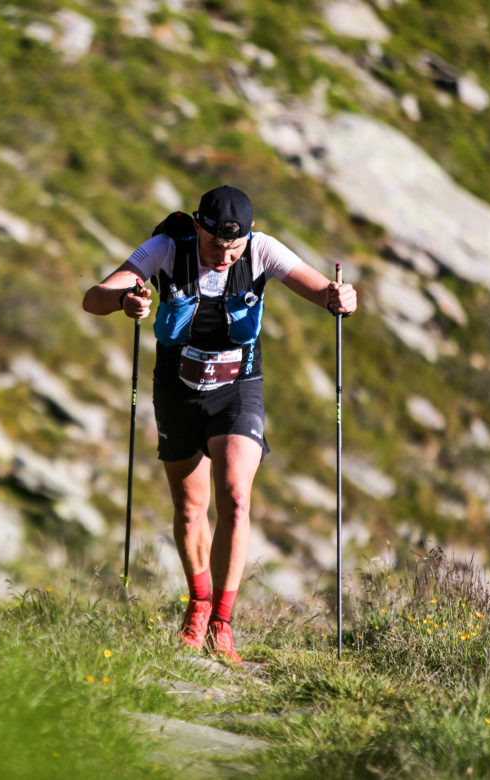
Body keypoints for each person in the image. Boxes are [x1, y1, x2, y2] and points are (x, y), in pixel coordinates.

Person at [81, 185, 357, 663]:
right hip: (178, 389)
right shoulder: (168, 247)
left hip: (238, 387)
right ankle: (199, 605)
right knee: (191, 509)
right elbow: (93, 297)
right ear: (197, 228)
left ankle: (223, 623)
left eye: (235, 248)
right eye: (215, 247)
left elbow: (321, 292)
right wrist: (126, 301)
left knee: (235, 493)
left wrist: (341, 297)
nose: (225, 257)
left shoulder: (262, 249)